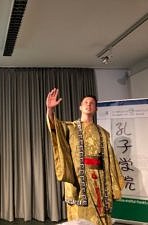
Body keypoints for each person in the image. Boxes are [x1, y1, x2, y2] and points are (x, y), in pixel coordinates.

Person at [46, 88, 125, 225]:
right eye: (86, 102)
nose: (89, 105)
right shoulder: (70, 127)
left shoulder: (103, 133)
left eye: (92, 103)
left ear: (96, 108)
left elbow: (110, 159)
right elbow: (54, 127)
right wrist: (50, 110)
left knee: (100, 215)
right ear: (80, 107)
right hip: (79, 179)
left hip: (100, 181)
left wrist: (113, 183)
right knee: (79, 216)